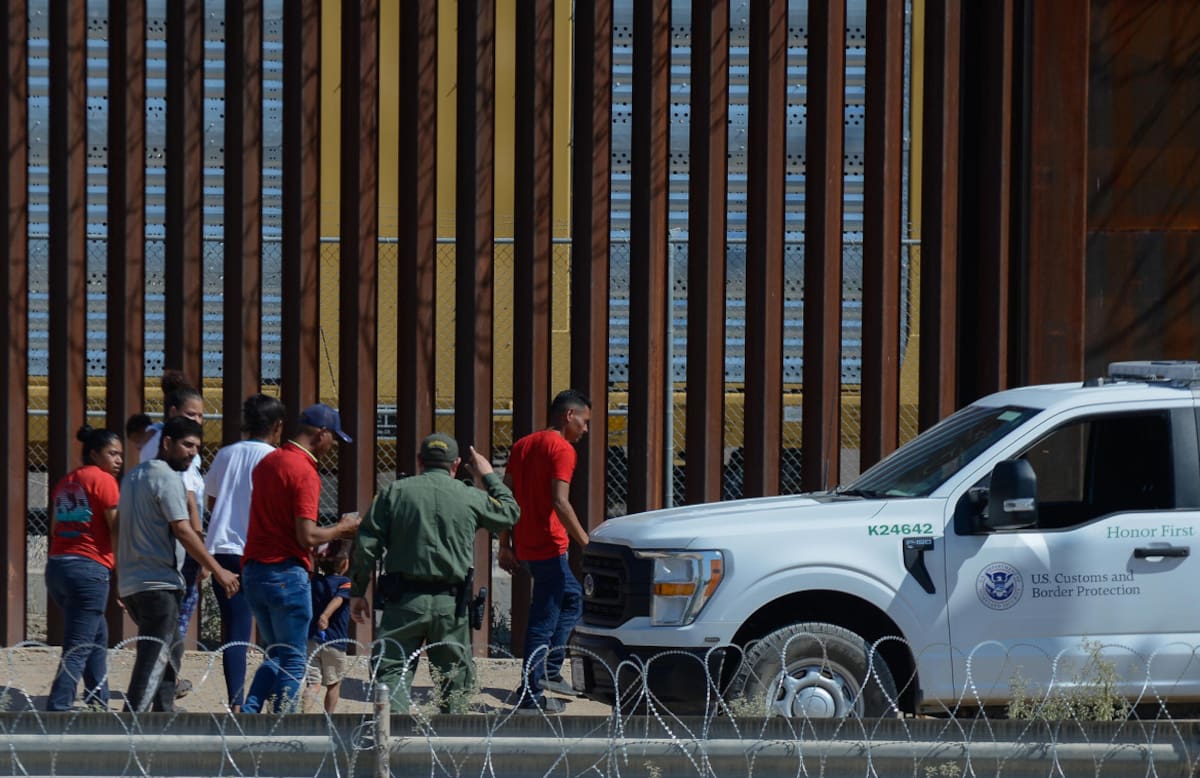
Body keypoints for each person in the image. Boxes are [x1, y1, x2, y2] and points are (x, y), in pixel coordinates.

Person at [349, 434, 519, 714]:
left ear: (420, 461)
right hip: (450, 607)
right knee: (455, 682)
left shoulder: (394, 492)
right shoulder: (469, 496)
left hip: (403, 603)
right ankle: (450, 747)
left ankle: (393, 744)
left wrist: (358, 592)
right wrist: (488, 475)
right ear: (456, 465)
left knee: (391, 674)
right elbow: (510, 513)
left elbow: (366, 546)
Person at [240, 403, 361, 714]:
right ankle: (283, 728)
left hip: (254, 571)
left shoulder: (268, 462)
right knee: (294, 658)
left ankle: (251, 712)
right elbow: (306, 536)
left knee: (276, 653)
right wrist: (342, 529)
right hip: (286, 575)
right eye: (333, 437)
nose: (333, 445)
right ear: (321, 433)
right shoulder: (305, 472)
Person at [116, 416, 239, 713]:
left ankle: (164, 713)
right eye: (187, 445)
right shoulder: (168, 478)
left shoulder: (133, 476)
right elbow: (183, 529)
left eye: (197, 447)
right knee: (153, 659)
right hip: (158, 584)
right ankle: (129, 728)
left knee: (171, 651)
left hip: (134, 582)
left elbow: (117, 528)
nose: (193, 452)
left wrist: (118, 577)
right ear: (167, 443)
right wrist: (218, 570)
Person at [498, 389, 592, 714]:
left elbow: (505, 498)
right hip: (550, 547)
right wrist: (587, 544)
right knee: (543, 619)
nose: (585, 429)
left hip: (527, 546)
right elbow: (560, 502)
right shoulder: (563, 449)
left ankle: (550, 671)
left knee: (573, 597)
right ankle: (531, 694)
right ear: (569, 416)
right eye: (584, 421)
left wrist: (504, 545)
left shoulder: (522, 445)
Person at [202, 393, 286, 711]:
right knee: (274, 631)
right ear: (277, 426)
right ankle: (270, 699)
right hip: (258, 550)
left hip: (223, 549)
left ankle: (236, 702)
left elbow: (212, 499)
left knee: (235, 630)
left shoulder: (225, 454)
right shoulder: (274, 458)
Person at [45, 426, 123, 712]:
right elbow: (115, 527)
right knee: (78, 645)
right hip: (89, 569)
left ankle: (97, 699)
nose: (118, 460)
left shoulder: (67, 482)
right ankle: (59, 707)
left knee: (97, 634)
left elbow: (54, 527)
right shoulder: (104, 481)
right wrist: (120, 573)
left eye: (120, 455)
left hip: (57, 567)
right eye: (112, 453)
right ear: (94, 454)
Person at [140, 382, 207, 700]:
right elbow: (189, 499)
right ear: (173, 414)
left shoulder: (156, 440)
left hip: (164, 545)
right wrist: (203, 550)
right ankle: (166, 681)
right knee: (176, 616)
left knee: (169, 617)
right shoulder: (177, 450)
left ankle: (162, 681)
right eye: (190, 414)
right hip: (181, 545)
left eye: (201, 415)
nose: (197, 420)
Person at [304, 540, 352, 714]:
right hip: (335, 641)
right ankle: (328, 718)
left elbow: (310, 572)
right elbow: (338, 599)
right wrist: (326, 615)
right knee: (333, 684)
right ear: (345, 564)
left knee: (312, 683)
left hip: (312, 639)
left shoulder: (314, 581)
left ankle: (305, 716)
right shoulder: (345, 582)